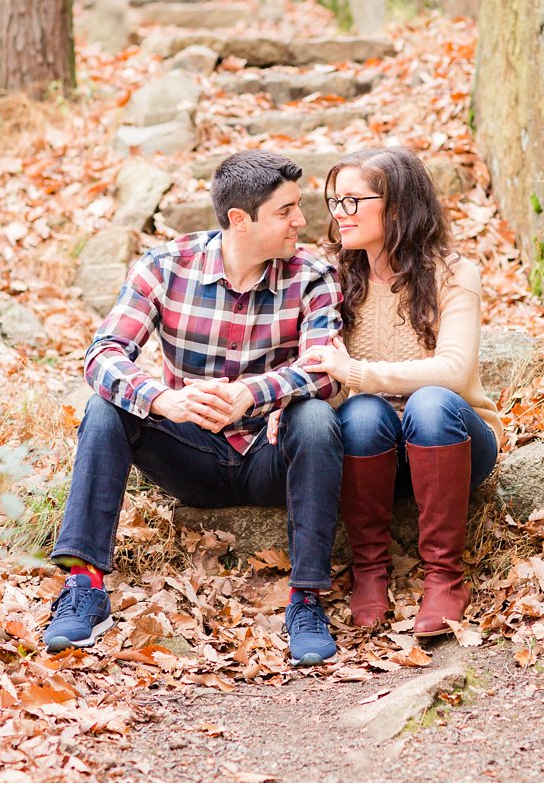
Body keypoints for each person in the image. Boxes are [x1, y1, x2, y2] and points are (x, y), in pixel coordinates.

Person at [42, 150, 345, 666]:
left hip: (270, 455)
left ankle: (307, 600)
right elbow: (103, 355)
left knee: (315, 418)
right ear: (239, 220)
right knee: (103, 408)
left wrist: (254, 393)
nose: (303, 221)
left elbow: (324, 367)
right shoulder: (166, 266)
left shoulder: (313, 275)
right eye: (286, 210)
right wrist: (166, 400)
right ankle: (84, 586)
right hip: (191, 454)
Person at [300, 147, 502, 637]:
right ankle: (370, 571)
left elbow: (453, 371)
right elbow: (322, 369)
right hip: (372, 450)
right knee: (363, 413)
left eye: (353, 201)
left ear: (397, 206)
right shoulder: (333, 277)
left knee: (430, 402)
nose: (338, 214)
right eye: (335, 201)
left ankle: (444, 578)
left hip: (455, 441)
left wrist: (358, 372)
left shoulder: (454, 273)